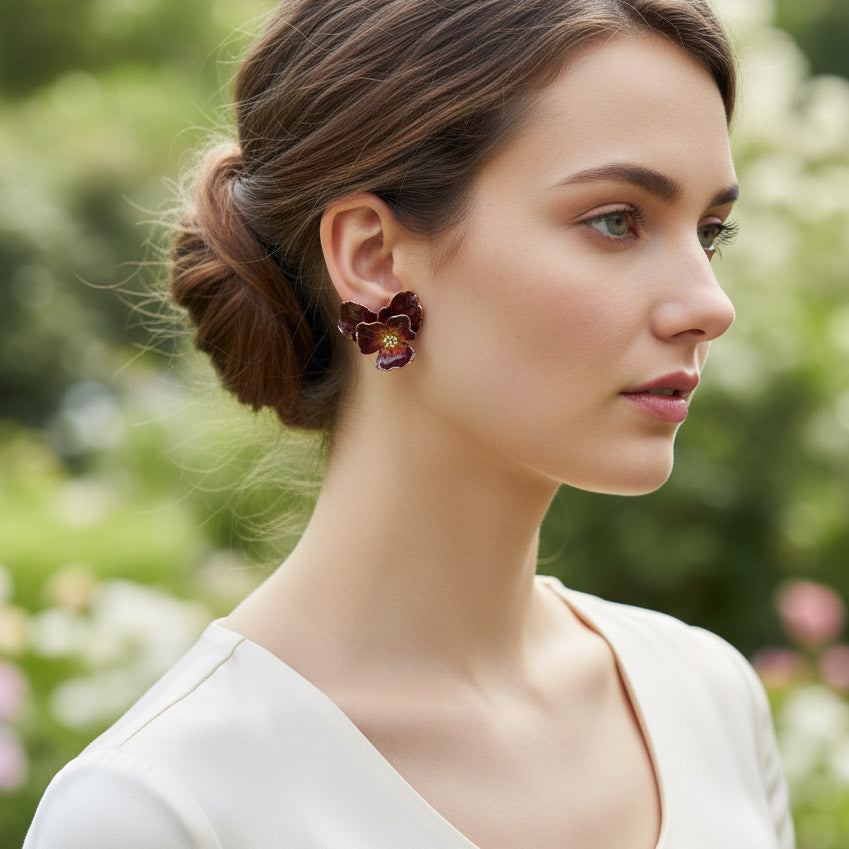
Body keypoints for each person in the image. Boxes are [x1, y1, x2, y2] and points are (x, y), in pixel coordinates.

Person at [24, 0, 795, 847]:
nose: (709, 306)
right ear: (372, 257)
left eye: (709, 232)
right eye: (615, 220)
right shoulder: (160, 806)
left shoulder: (707, 700)